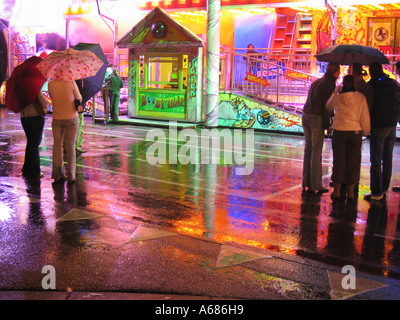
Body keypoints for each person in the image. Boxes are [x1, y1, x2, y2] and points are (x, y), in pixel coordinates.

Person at [326, 75, 370, 201]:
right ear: (354, 84)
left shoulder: (337, 97)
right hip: (355, 132)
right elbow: (365, 117)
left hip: (339, 131)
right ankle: (351, 192)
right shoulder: (360, 97)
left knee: (339, 162)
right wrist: (365, 132)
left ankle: (337, 191)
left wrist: (335, 91)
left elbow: (328, 106)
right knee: (353, 162)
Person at [302, 62, 340, 194]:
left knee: (308, 149)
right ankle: (315, 184)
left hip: (306, 114)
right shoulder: (329, 85)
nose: (339, 74)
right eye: (338, 72)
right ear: (335, 73)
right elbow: (327, 107)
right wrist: (328, 125)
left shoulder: (317, 82)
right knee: (316, 152)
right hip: (316, 117)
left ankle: (306, 182)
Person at [363, 63, 400, 201]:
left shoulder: (372, 85)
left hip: (378, 125)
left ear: (371, 72)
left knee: (376, 160)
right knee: (387, 159)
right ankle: (384, 187)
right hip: (391, 125)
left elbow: (368, 105)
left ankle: (376, 192)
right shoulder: (393, 83)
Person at [48, 79, 82, 182]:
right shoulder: (71, 82)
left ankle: (57, 174)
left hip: (57, 117)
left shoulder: (50, 84)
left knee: (57, 145)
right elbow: (78, 97)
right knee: (71, 145)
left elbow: (52, 97)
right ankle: (71, 175)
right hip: (71, 117)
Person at [20, 90, 50, 179]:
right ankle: (34, 171)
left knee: (30, 143)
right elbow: (44, 103)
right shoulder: (34, 88)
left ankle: (27, 168)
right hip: (35, 117)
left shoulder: (19, 90)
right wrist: (48, 101)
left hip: (24, 117)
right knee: (34, 145)